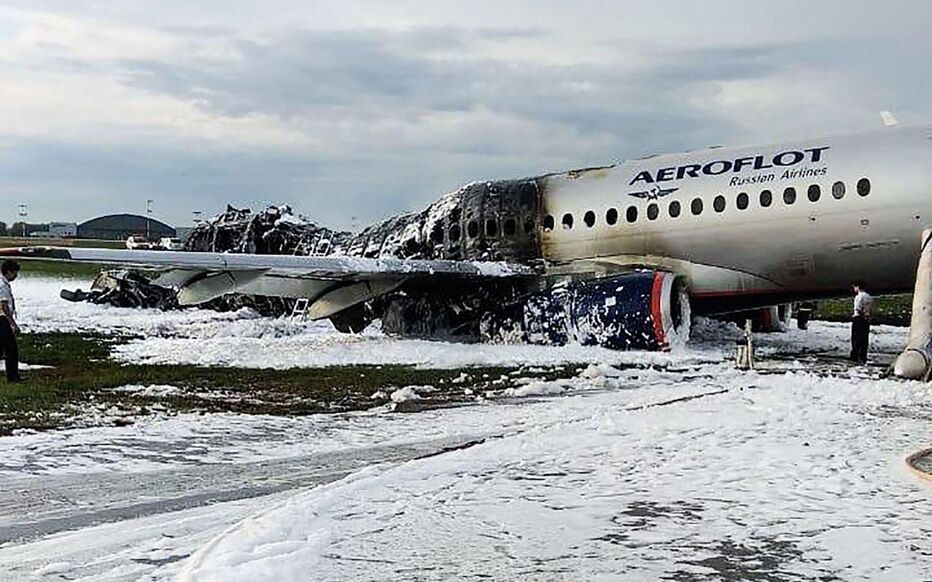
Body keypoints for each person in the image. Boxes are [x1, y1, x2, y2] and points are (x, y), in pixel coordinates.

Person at [0, 260, 22, 382]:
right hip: (3, 319)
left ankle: (13, 376)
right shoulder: (3, 286)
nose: (15, 276)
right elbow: (4, 306)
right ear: (8, 272)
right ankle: (12, 377)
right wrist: (13, 323)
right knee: (11, 350)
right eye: (15, 273)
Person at [850, 281, 872, 364]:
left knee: (856, 338)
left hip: (859, 318)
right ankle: (863, 356)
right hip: (866, 319)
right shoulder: (868, 297)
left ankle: (855, 355)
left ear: (858, 287)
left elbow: (858, 308)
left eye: (854, 287)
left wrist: (858, 315)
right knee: (864, 339)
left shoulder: (859, 297)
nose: (854, 289)